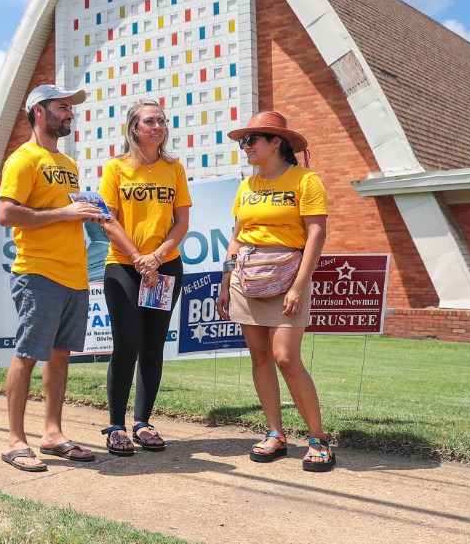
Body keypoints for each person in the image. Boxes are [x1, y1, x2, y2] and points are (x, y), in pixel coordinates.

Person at [216, 111, 335, 472]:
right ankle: (276, 434)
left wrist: (299, 285)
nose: (245, 147)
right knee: (260, 358)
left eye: (251, 140)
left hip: (287, 278)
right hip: (246, 278)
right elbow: (236, 236)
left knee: (285, 357)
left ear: (276, 142)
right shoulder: (246, 186)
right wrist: (225, 280)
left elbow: (316, 235)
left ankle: (318, 438)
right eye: (243, 141)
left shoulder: (306, 180)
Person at [0, 84, 109, 473]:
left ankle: (52, 434)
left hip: (75, 274)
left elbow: (64, 212)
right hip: (38, 272)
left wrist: (86, 213)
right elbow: (7, 214)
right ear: (39, 112)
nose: (70, 114)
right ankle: (15, 440)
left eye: (70, 108)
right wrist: (64, 214)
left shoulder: (68, 165)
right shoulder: (23, 160)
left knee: (61, 355)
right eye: (62, 107)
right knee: (28, 354)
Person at [97, 99, 191, 456]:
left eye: (162, 121)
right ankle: (116, 426)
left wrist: (156, 258)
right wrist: (138, 259)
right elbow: (108, 219)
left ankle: (143, 423)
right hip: (124, 266)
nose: (157, 126)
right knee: (127, 344)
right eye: (149, 121)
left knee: (153, 346)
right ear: (134, 128)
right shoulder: (116, 168)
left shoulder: (174, 168)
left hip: (165, 266)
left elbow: (181, 222)